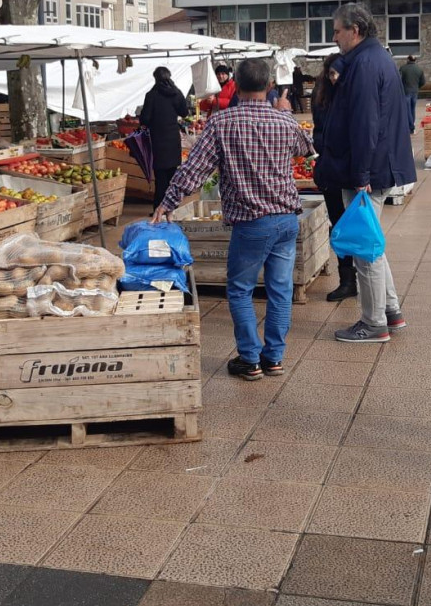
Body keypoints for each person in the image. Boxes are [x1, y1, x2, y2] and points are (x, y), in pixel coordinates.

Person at [154, 58, 311, 381]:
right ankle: (274, 358)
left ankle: (250, 359)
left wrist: (167, 203)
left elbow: (194, 170)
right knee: (280, 290)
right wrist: (285, 112)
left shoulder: (222, 122)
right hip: (286, 219)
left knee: (240, 289)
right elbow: (306, 149)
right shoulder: (283, 121)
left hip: (252, 222)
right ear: (269, 86)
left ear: (235, 86)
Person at [317, 3, 416, 344]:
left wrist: (361, 175)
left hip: (365, 172)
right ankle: (391, 310)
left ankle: (374, 323)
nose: (334, 38)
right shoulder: (372, 58)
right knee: (371, 242)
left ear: (354, 31)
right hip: (373, 167)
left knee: (364, 249)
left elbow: (364, 125)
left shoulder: (364, 64)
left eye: (337, 31)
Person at [312, 56, 356, 302]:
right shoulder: (322, 96)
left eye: (338, 73)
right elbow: (318, 130)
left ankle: (362, 275)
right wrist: (323, 144)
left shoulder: (354, 95)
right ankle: (347, 279)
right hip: (330, 169)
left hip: (351, 170)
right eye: (331, 74)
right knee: (338, 224)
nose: (334, 78)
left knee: (357, 225)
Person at [139, 66, 189, 208]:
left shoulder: (151, 95)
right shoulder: (176, 93)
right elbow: (184, 112)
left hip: (158, 141)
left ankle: (159, 209)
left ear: (155, 78)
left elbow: (145, 119)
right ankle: (172, 207)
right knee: (173, 177)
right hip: (173, 140)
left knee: (160, 179)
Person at [399, 55, 425, 136]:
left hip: (406, 91)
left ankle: (411, 127)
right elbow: (423, 82)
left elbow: (399, 80)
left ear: (408, 59)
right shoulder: (419, 69)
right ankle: (411, 125)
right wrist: (417, 87)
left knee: (407, 110)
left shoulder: (403, 68)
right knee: (412, 109)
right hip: (415, 91)